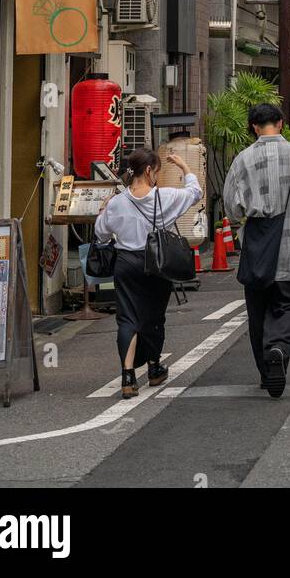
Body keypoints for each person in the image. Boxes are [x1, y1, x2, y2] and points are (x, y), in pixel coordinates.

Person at [223, 103, 290, 398]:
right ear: (280, 123)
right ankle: (278, 348)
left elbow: (232, 207)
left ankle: (267, 373)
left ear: (253, 126)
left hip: (257, 249)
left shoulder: (243, 159)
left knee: (258, 312)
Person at [94, 148, 202, 399]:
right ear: (150, 171)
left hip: (126, 263)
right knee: (154, 316)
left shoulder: (117, 202)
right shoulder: (165, 197)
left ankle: (128, 376)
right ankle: (154, 367)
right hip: (156, 263)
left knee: (128, 319)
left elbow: (100, 234)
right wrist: (185, 167)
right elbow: (195, 193)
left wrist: (104, 210)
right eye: (157, 172)